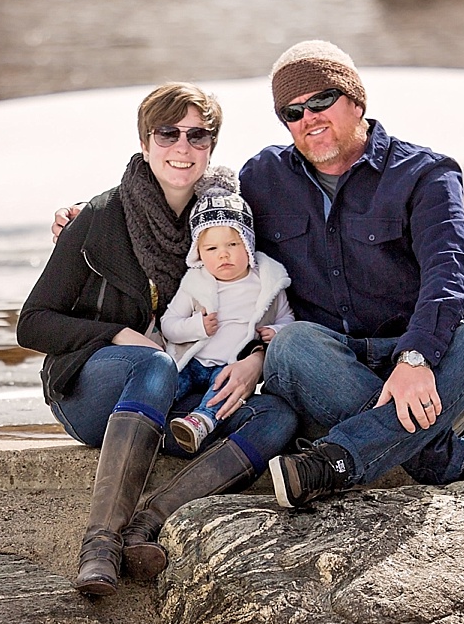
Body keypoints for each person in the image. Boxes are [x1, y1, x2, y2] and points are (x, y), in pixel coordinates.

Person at [16, 82, 298, 597]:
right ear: (145, 144)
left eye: (197, 135)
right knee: (156, 366)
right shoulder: (100, 218)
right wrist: (120, 335)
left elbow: (261, 303)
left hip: (179, 393)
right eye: (167, 134)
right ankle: (99, 544)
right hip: (95, 387)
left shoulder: (223, 221)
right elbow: (32, 323)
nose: (182, 148)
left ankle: (149, 522)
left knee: (276, 415)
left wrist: (258, 356)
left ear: (211, 146)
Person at [243, 40, 464, 508]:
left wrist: (415, 359)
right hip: (326, 372)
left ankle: (336, 460)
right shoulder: (262, 177)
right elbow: (208, 232)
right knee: (292, 343)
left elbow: (453, 267)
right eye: (292, 112)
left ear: (357, 101)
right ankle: (448, 461)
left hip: (418, 371)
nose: (309, 119)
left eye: (321, 101)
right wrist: (96, 213)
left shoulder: (425, 174)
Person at [159, 170, 294, 454]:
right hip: (194, 360)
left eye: (232, 244)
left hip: (231, 365)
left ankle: (201, 422)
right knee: (168, 386)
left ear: (247, 243)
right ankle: (150, 424)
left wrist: (277, 332)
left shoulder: (267, 282)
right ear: (198, 252)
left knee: (223, 392)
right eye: (211, 248)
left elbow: (288, 320)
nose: (223, 254)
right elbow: (169, 324)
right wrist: (197, 326)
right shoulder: (196, 282)